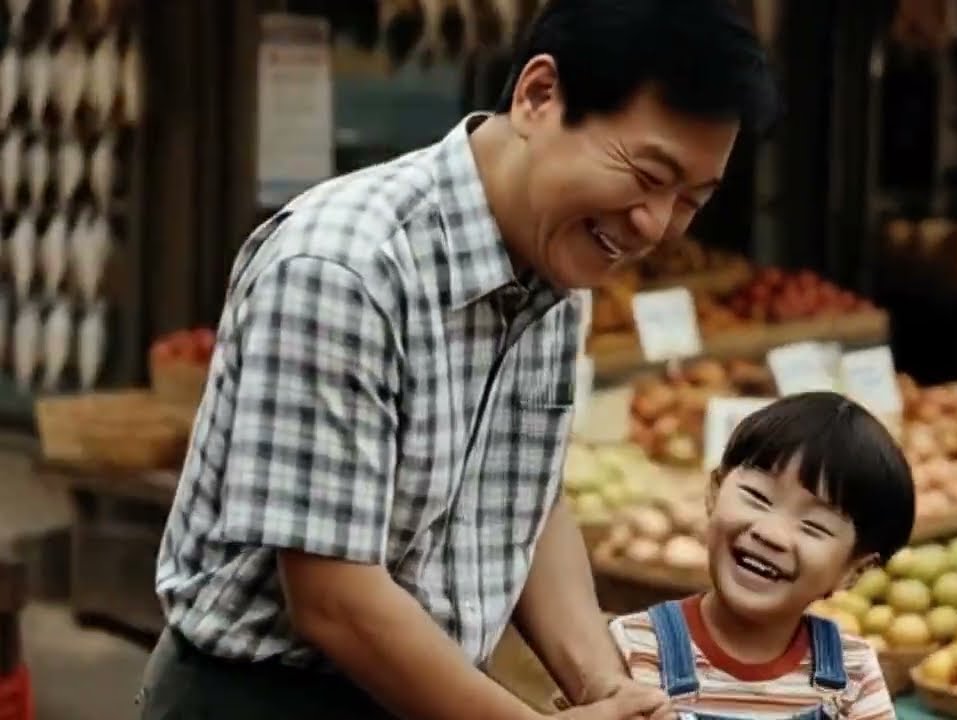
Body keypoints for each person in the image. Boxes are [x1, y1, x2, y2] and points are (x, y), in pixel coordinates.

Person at [137, 1, 779, 718]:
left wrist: (607, 687)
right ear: (539, 96)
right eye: (647, 173)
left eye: (691, 199)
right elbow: (335, 601)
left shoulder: (557, 269)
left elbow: (524, 496)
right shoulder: (345, 267)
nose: (655, 226)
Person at [610, 393, 914, 719]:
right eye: (757, 496)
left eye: (813, 526)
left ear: (854, 571)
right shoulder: (632, 648)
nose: (771, 534)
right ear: (714, 491)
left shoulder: (853, 675)